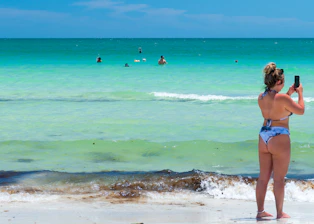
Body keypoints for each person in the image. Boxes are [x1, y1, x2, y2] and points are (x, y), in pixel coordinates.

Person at [256, 62, 304, 219]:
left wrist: (288, 94)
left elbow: (275, 108)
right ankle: (279, 213)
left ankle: (260, 212)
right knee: (278, 179)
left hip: (264, 135)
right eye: (282, 81)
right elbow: (301, 110)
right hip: (279, 137)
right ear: (278, 82)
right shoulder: (283, 98)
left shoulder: (261, 97)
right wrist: (300, 94)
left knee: (263, 177)